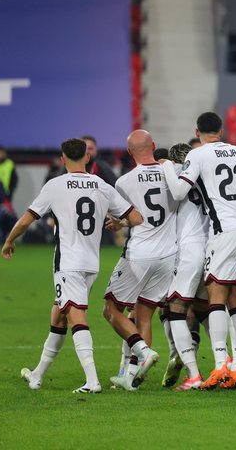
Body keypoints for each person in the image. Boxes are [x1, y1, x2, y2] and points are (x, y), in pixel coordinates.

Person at [2, 138, 141, 393]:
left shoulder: (55, 185)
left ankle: (92, 381)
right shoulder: (101, 185)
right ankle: (37, 375)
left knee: (75, 314)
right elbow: (136, 217)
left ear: (62, 158)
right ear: (87, 158)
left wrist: (9, 240)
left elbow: (26, 219)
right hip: (92, 263)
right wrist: (119, 224)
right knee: (59, 313)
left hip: (68, 263)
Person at [162, 112, 236, 389]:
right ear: (221, 131)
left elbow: (177, 192)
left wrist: (165, 167)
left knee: (216, 296)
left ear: (198, 132)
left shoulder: (197, 156)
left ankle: (221, 363)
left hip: (225, 233)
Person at [102, 129, 180, 391]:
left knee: (111, 310)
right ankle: (131, 376)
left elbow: (130, 218)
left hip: (139, 254)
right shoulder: (174, 173)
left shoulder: (124, 182)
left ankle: (143, 352)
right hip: (168, 255)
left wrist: (117, 222)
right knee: (144, 315)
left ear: (128, 153)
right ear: (154, 146)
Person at [161, 142, 210, 391]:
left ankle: (193, 373)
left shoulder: (174, 175)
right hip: (212, 246)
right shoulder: (206, 174)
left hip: (189, 249)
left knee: (175, 308)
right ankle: (230, 363)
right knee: (209, 308)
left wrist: (167, 166)